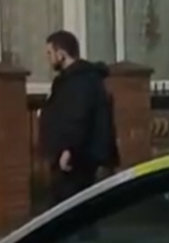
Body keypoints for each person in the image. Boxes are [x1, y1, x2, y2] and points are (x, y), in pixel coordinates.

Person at [39, 31, 118, 206]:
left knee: (68, 212)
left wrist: (68, 150)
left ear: (61, 53)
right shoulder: (71, 80)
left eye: (50, 53)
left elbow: (77, 117)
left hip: (77, 163)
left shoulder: (80, 81)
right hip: (74, 160)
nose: (48, 59)